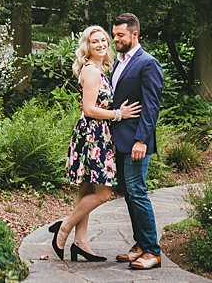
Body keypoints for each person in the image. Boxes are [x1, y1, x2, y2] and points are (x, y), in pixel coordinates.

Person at [48, 26, 141, 262]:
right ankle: (65, 228)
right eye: (94, 41)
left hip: (99, 133)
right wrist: (119, 114)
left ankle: (81, 242)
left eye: (103, 40)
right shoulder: (91, 71)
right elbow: (88, 109)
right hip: (93, 135)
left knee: (87, 189)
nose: (100, 44)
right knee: (103, 193)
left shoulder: (100, 68)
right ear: (86, 46)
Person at [107, 13, 164, 271]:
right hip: (120, 140)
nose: (115, 39)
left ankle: (153, 251)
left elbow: (152, 106)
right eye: (114, 34)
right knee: (129, 194)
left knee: (138, 192)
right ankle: (140, 245)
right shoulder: (119, 62)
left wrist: (142, 140)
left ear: (134, 34)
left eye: (120, 35)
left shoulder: (147, 63)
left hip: (137, 142)